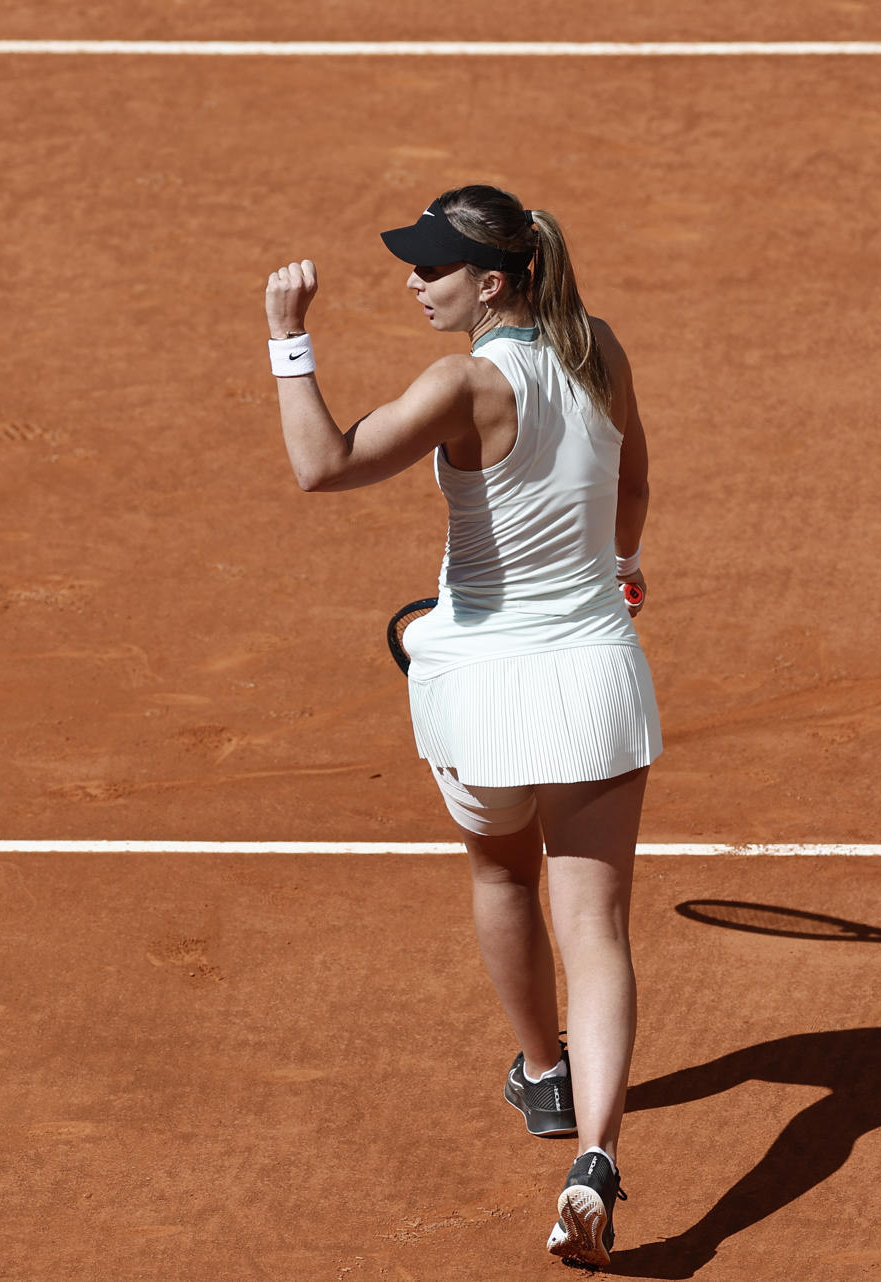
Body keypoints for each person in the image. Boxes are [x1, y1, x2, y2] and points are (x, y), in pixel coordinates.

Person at [263, 184, 659, 1270]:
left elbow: (323, 463)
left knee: (500, 877)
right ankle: (595, 1156)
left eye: (432, 266)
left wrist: (288, 342)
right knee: (601, 930)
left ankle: (543, 1073)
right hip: (592, 678)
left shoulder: (463, 383)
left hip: (482, 691)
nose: (411, 280)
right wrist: (619, 569)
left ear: (492, 283)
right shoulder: (601, 350)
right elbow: (631, 488)